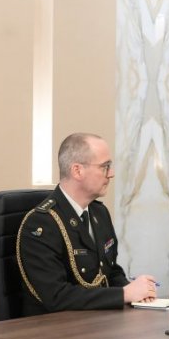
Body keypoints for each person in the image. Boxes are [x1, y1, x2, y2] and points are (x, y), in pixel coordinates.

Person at [16, 133, 157, 316]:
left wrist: (136, 292)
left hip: (96, 322)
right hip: (53, 328)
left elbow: (110, 271)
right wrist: (123, 294)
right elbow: (57, 296)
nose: (111, 174)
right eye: (105, 167)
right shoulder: (41, 224)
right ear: (77, 171)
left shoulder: (99, 213)